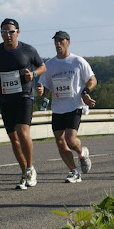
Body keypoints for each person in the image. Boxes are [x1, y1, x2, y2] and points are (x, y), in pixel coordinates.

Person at [0, 18, 46, 190]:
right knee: (14, 140)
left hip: (24, 96)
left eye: (11, 31)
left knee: (22, 133)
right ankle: (24, 171)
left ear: (18, 32)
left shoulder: (27, 49)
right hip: (6, 99)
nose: (8, 35)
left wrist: (33, 74)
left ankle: (30, 168)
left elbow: (42, 67)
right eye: (4, 32)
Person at [38, 31, 96, 184]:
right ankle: (74, 171)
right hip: (58, 107)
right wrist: (41, 91)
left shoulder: (77, 61)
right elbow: (45, 88)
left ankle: (82, 152)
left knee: (70, 139)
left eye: (61, 41)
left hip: (74, 105)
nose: (58, 44)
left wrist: (86, 92)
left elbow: (92, 79)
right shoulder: (49, 65)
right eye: (56, 41)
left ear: (68, 42)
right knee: (60, 141)